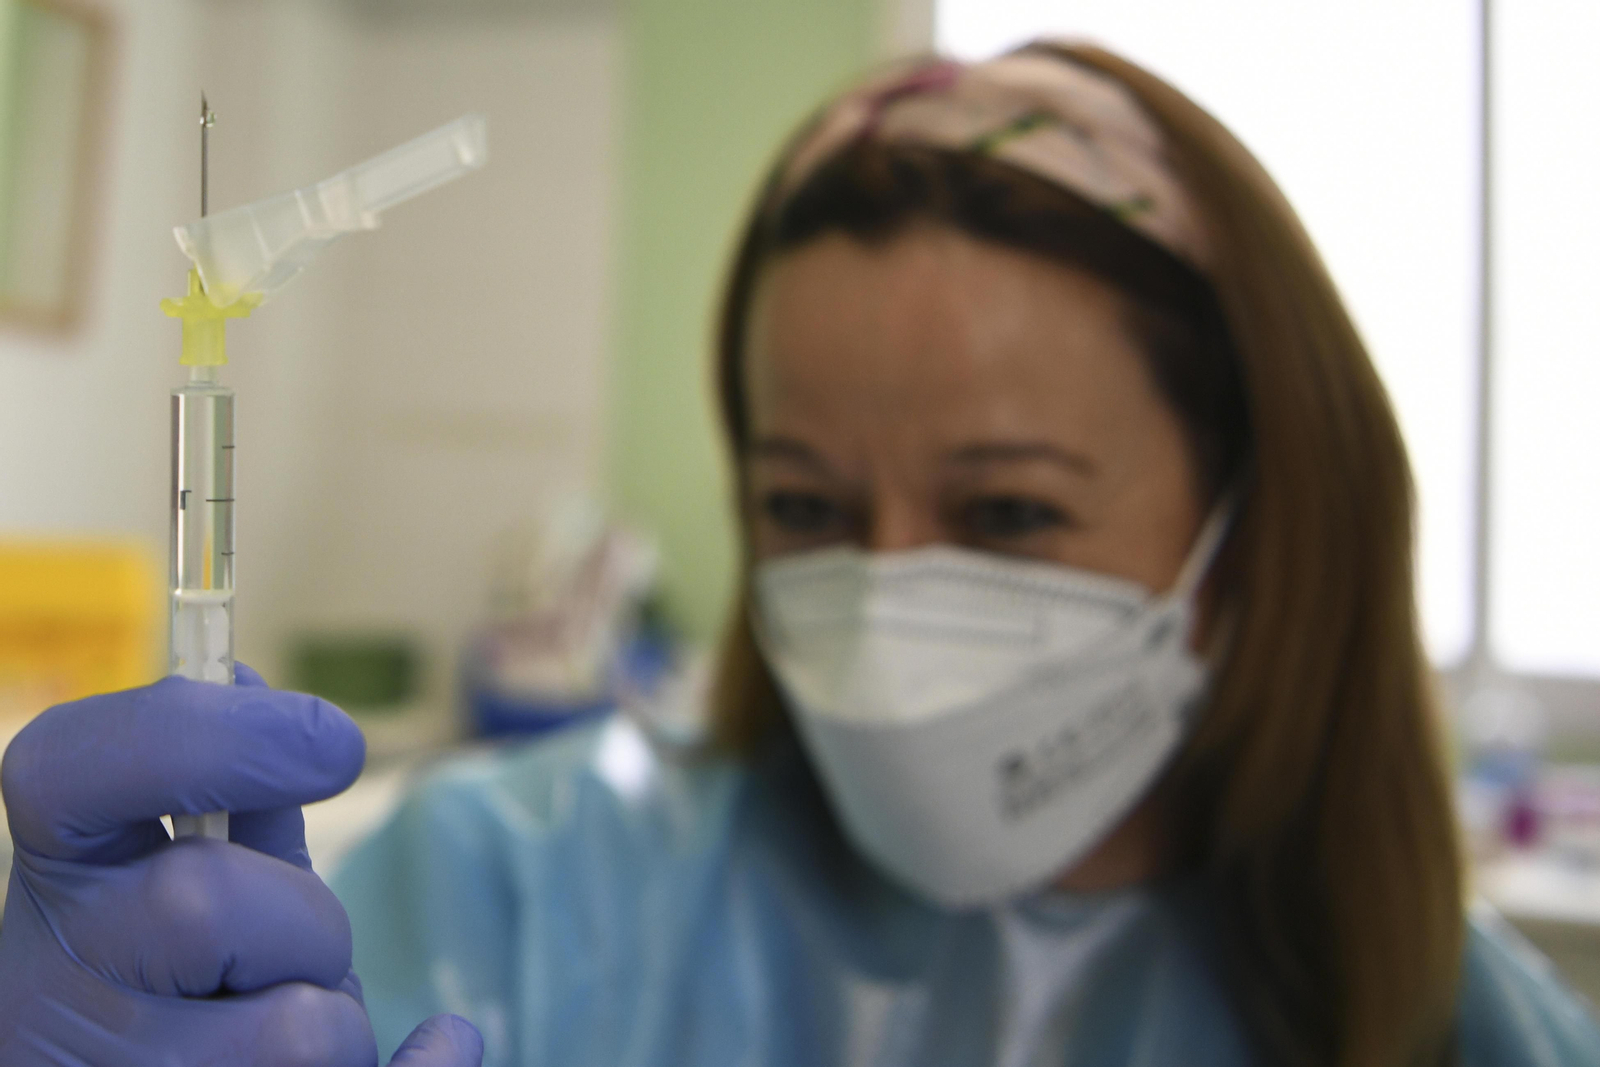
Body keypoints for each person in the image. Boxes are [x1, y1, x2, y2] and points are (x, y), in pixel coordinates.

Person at [2, 41, 1596, 1067]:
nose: (888, 599)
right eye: (809, 510)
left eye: (1009, 513)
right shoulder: (513, 892)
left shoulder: (1451, 1026)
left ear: (1259, 534)